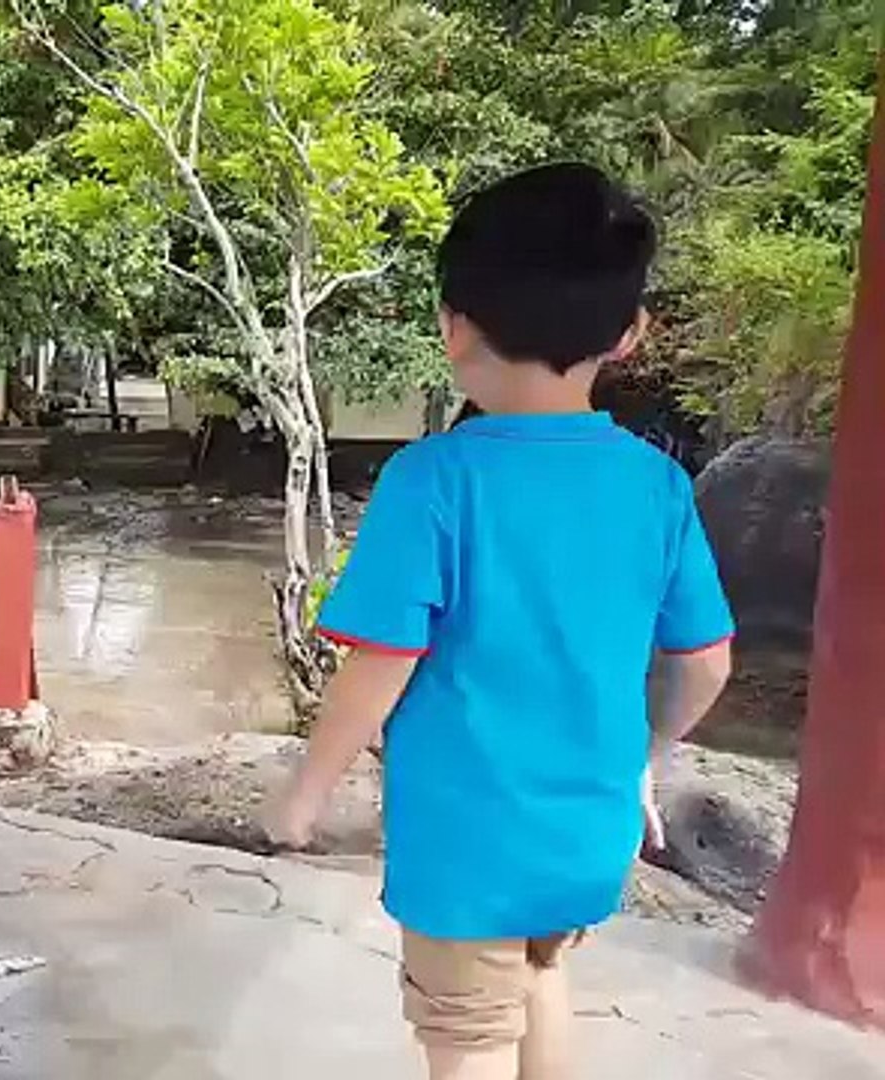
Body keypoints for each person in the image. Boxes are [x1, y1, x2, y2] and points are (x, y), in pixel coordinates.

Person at [269, 163, 735, 1080]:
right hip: (586, 836)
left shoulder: (433, 480)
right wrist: (646, 756)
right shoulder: (658, 488)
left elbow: (381, 661)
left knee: (468, 1035)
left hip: (467, 842)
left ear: (452, 327)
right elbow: (708, 661)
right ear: (630, 334)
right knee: (540, 972)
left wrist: (305, 792)